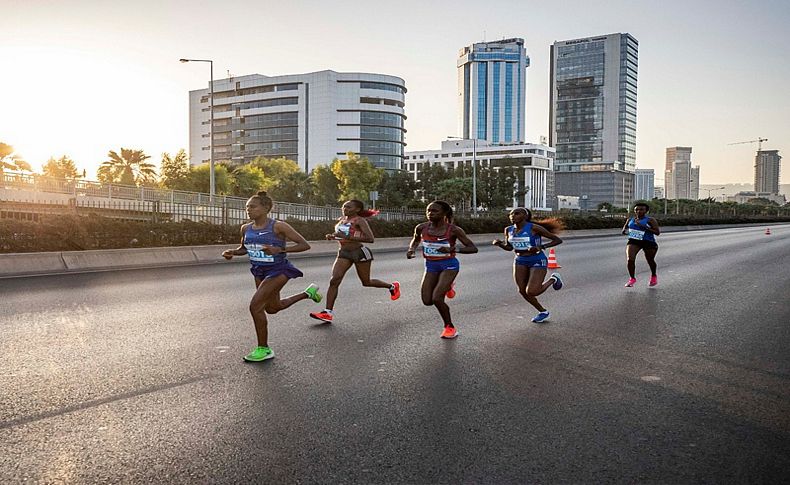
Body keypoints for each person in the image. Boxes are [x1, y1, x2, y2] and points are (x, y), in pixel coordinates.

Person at [222, 191, 323, 362]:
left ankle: (264, 349)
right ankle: (308, 293)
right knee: (273, 308)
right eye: (247, 207)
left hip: (278, 269)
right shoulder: (245, 228)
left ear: (266, 208)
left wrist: (281, 249)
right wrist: (233, 252)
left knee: (255, 306)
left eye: (253, 206)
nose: (248, 210)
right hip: (259, 271)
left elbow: (304, 245)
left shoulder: (278, 226)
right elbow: (244, 248)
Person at [309, 200, 400, 324]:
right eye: (344, 206)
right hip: (343, 253)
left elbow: (370, 239)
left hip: (359, 252)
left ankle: (392, 287)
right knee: (334, 280)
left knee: (366, 282)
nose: (345, 208)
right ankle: (327, 313)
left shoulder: (359, 221)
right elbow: (341, 235)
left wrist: (348, 237)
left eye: (348, 207)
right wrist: (333, 236)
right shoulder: (342, 219)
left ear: (357, 209)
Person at [406, 200, 478, 339]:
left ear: (444, 213)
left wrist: (452, 249)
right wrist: (411, 250)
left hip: (449, 265)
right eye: (428, 211)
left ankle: (449, 327)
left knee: (437, 298)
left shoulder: (454, 230)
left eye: (434, 211)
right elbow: (415, 240)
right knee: (427, 301)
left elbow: (473, 248)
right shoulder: (421, 228)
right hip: (431, 265)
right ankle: (447, 285)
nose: (430, 213)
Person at [493, 208, 564, 323]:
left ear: (525, 216)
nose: (512, 216)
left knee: (531, 291)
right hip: (520, 260)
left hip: (536, 259)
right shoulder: (508, 230)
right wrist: (500, 244)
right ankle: (543, 312)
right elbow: (509, 247)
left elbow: (557, 240)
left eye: (516, 213)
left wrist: (540, 247)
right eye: (511, 214)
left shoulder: (533, 228)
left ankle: (553, 279)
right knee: (522, 290)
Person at [621, 202, 660, 287]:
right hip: (634, 241)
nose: (639, 211)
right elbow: (625, 227)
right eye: (636, 209)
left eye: (641, 209)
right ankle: (632, 279)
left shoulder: (650, 220)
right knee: (630, 259)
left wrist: (645, 227)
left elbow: (657, 232)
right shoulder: (630, 219)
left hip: (648, 241)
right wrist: (624, 231)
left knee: (650, 260)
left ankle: (653, 276)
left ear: (646, 211)